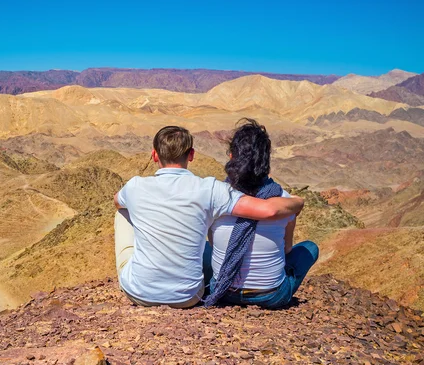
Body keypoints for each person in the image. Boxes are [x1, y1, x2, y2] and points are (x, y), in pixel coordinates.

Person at [114, 125, 304, 308]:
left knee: (123, 212)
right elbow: (268, 210)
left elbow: (117, 201)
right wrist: (298, 202)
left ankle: (144, 271)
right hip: (188, 296)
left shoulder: (134, 186)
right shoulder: (211, 190)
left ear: (154, 155)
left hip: (138, 292)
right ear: (191, 155)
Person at [204, 119, 319, 309]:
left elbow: (214, 242)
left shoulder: (217, 195)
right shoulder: (284, 201)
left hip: (223, 291)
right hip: (271, 296)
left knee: (205, 247)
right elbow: (287, 249)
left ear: (231, 157)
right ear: (266, 163)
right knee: (310, 248)